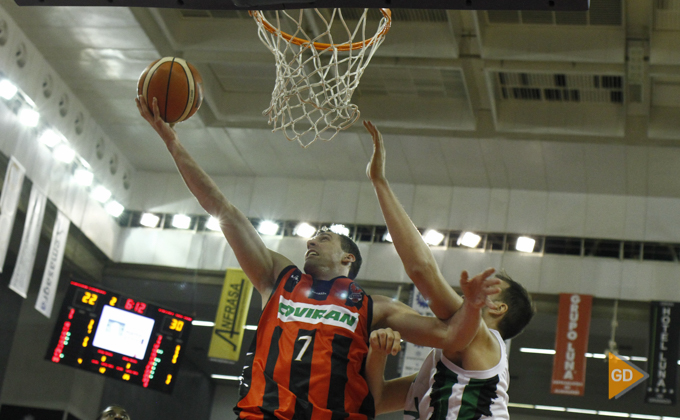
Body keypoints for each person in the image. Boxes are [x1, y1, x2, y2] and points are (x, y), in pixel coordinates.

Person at [135, 96, 465, 420]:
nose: (311, 240)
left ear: (348, 258)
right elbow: (223, 209)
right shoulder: (279, 277)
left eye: (324, 237)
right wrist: (172, 143)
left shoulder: (375, 307)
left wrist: (475, 307)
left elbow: (451, 336)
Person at [363, 120, 535, 419]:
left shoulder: (484, 340)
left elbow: (421, 270)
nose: (474, 290)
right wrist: (377, 355)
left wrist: (380, 182)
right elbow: (375, 403)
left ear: (497, 307)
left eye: (489, 288)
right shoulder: (447, 359)